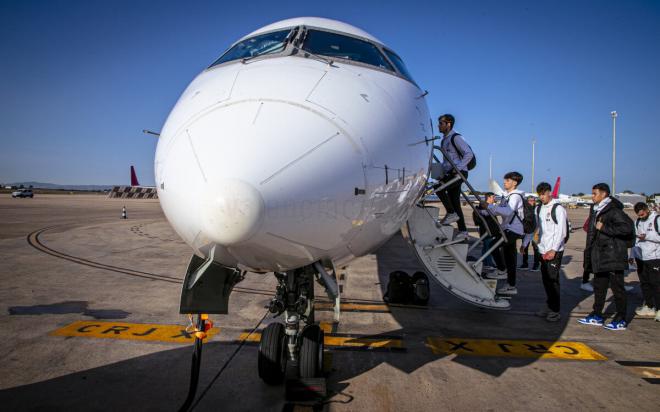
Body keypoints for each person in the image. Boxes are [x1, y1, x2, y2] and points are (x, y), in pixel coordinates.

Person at [578, 183, 634, 331]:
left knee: (618, 289)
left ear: (604, 194)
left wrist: (605, 228)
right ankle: (597, 315)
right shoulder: (597, 209)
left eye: (595, 193)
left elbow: (627, 228)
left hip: (613, 256)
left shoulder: (613, 210)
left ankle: (621, 318)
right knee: (599, 287)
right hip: (600, 255)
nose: (592, 196)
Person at [484, 172, 526, 296]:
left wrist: (490, 206)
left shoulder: (515, 197)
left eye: (507, 180)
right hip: (508, 228)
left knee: (492, 245)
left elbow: (507, 212)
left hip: (514, 230)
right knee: (510, 259)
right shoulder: (506, 196)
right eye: (505, 180)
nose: (504, 182)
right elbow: (499, 210)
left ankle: (502, 270)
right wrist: (488, 208)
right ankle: (511, 285)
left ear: (515, 182)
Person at [434, 114, 474, 239]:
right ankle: (463, 231)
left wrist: (458, 168)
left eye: (441, 123)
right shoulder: (444, 140)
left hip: (458, 173)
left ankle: (451, 213)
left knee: (438, 188)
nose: (439, 125)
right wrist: (441, 173)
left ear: (448, 124)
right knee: (455, 203)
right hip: (450, 173)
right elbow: (447, 161)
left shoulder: (455, 138)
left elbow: (469, 154)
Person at [533, 182, 567, 322]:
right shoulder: (539, 208)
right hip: (542, 249)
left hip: (554, 251)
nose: (541, 197)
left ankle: (555, 310)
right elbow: (537, 228)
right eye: (539, 194)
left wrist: (553, 249)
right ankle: (549, 305)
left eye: (543, 194)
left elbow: (562, 232)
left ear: (549, 193)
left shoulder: (558, 209)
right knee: (546, 280)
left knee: (553, 281)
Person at [630, 202, 660, 321]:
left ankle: (659, 309)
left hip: (655, 257)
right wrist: (632, 255)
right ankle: (649, 306)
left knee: (656, 284)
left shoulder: (657, 219)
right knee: (645, 283)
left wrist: (646, 237)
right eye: (639, 215)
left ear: (647, 210)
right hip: (641, 258)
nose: (641, 217)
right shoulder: (637, 222)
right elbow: (635, 240)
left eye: (643, 214)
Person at [472, 192, 505, 272]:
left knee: (486, 247)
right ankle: (488, 264)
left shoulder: (487, 206)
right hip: (488, 231)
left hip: (488, 230)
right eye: (493, 197)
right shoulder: (485, 207)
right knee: (488, 248)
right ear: (489, 197)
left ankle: (487, 263)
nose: (495, 199)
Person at [520, 196, 541, 272]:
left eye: (533, 200)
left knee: (536, 248)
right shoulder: (525, 209)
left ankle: (536, 265)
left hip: (536, 231)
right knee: (524, 247)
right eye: (530, 200)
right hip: (527, 231)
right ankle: (525, 264)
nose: (531, 202)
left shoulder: (537, 209)